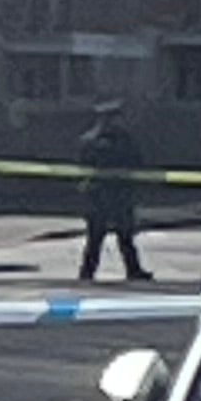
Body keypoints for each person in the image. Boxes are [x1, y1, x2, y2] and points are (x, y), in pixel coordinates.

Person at [76, 102, 151, 283]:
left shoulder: (97, 140)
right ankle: (88, 272)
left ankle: (131, 270)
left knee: (122, 236)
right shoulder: (108, 141)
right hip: (105, 195)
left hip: (113, 194)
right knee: (98, 237)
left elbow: (137, 163)